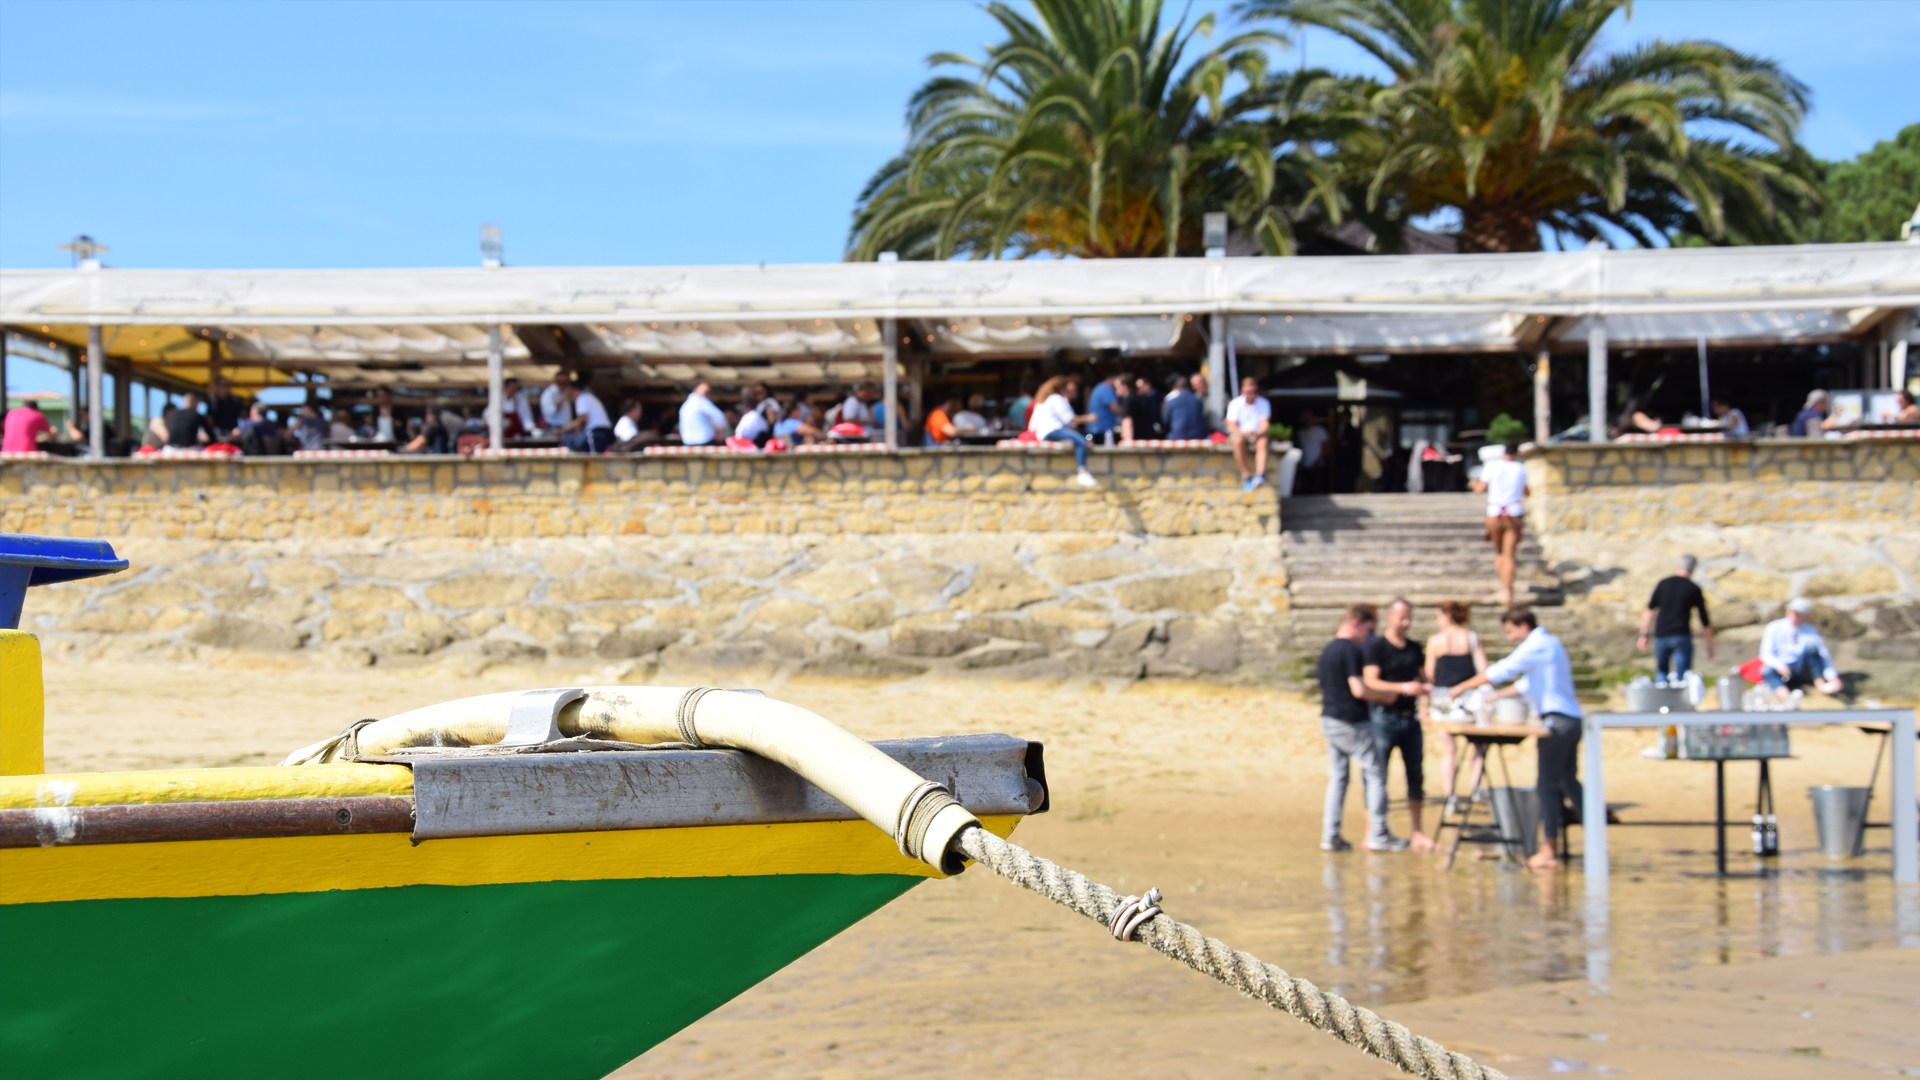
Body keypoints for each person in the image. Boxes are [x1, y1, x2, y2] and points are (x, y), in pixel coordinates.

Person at [1448, 607, 1585, 870]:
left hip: (1557, 721)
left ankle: (1549, 851)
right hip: (1570, 719)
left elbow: (1503, 670)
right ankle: (1590, 838)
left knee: (1547, 786)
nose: (1510, 637)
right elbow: (1527, 684)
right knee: (1568, 782)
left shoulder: (1538, 643)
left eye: (1510, 631)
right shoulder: (1549, 645)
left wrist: (1463, 686)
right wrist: (1494, 697)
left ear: (1523, 625)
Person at [1316, 603, 1406, 853]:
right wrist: (1386, 695)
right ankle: (1378, 832)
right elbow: (1359, 689)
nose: (1369, 637)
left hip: (1329, 718)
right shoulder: (1350, 651)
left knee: (1339, 777)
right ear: (1356, 624)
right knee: (1376, 773)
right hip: (1351, 721)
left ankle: (1330, 834)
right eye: (1368, 630)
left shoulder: (1328, 650)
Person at [1362, 598, 1434, 852]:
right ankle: (1372, 830)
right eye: (1402, 617)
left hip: (1409, 718)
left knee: (1415, 774)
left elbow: (1425, 679)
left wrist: (1425, 697)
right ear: (1389, 616)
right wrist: (1402, 687)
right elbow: (1371, 680)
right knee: (1376, 775)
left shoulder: (1414, 647)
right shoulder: (1377, 647)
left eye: (1409, 618)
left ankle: (1417, 831)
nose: (1406, 622)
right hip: (1383, 717)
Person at [1424, 600, 1489, 816]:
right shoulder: (1471, 638)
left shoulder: (1435, 641)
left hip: (1443, 699)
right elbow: (1483, 670)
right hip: (1468, 697)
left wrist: (1424, 706)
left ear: (1448, 615)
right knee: (1479, 746)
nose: (1436, 620)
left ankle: (1450, 796)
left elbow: (1429, 676)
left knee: (1448, 751)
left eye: (1438, 616)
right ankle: (1476, 786)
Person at [1639, 554, 1715, 680]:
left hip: (1661, 634)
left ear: (1677, 566)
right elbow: (1704, 619)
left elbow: (1648, 610)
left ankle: (1662, 699)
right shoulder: (1694, 588)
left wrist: (1643, 635)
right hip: (1681, 635)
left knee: (1661, 673)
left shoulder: (1663, 583)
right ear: (1693, 569)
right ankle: (1678, 699)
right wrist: (1710, 646)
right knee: (1683, 676)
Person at [1470, 441, 1528, 606]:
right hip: (1514, 512)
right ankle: (1508, 590)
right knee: (1509, 554)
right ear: (1517, 454)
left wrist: (1473, 483)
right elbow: (1527, 491)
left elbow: (1480, 489)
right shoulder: (1521, 468)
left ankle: (1504, 588)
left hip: (1494, 513)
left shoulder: (1492, 466)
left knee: (1500, 553)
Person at [1758, 598, 1843, 699]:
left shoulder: (1810, 630)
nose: (1794, 614)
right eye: (1792, 611)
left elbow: (1823, 654)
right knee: (1767, 670)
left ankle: (1820, 684)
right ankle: (1785, 698)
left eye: (1798, 612)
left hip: (1803, 668)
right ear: (1788, 610)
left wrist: (1832, 676)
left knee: (1811, 648)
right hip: (1783, 669)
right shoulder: (1773, 627)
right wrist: (1780, 666)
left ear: (1806, 615)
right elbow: (1766, 653)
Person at [1027, 375, 1098, 488]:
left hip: (1048, 432)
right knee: (1082, 441)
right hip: (1053, 431)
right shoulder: (1056, 398)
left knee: (1086, 437)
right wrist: (1089, 418)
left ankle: (1088, 442)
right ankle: (1082, 471)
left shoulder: (1047, 400)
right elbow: (1069, 419)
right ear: (1062, 388)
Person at [1225, 376, 1271, 492]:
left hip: (1256, 434)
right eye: (1248, 392)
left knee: (1263, 441)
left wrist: (1258, 432)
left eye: (1254, 392)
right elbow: (1232, 425)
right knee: (1238, 441)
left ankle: (1260, 476)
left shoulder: (1263, 402)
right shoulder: (1235, 404)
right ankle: (1246, 476)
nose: (1251, 395)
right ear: (1242, 391)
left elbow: (1265, 424)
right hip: (1240, 434)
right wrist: (1242, 433)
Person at [559, 381, 615, 453]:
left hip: (596, 434)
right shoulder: (589, 397)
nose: (569, 395)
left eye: (570, 392)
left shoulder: (582, 398)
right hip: (605, 434)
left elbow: (583, 419)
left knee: (567, 439)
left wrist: (564, 429)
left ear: (576, 390)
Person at [677, 382, 729, 447]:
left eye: (709, 392)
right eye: (706, 392)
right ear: (695, 390)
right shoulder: (701, 401)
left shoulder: (685, 405)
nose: (708, 395)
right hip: (705, 442)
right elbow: (721, 417)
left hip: (688, 442)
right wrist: (719, 435)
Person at [1162, 372, 1207, 440]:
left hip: (1177, 437)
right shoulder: (1198, 401)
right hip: (1196, 437)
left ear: (1177, 388)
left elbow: (1165, 422)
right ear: (1189, 386)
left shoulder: (1171, 402)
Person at [1086, 373, 1127, 446]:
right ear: (1114, 379)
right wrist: (1128, 414)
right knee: (1104, 453)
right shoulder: (1106, 389)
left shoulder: (1099, 387)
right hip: (1102, 431)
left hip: (1092, 430)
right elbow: (1115, 408)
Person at [1127, 375, 1163, 441]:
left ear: (1147, 386)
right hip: (1141, 432)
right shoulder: (1136, 398)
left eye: (1140, 387)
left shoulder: (1154, 396)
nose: (1138, 389)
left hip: (1154, 429)